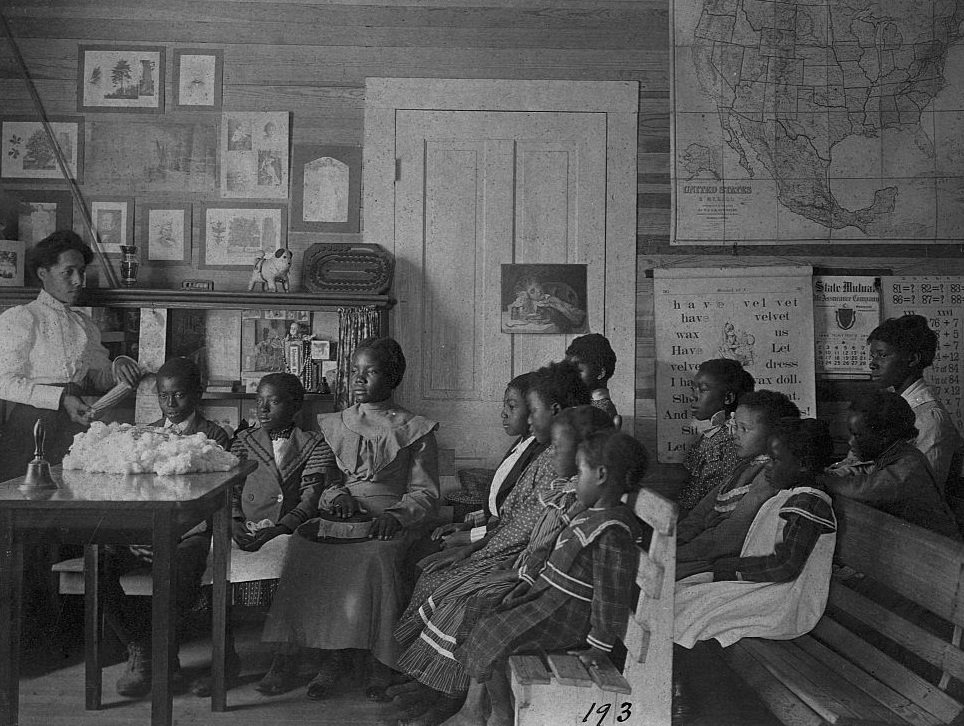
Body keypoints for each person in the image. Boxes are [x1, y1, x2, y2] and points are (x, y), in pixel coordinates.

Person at [389, 361, 591, 722]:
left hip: (520, 559)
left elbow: (527, 529)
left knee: (457, 595)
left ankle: (451, 698)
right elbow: (512, 512)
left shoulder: (558, 460)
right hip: (510, 549)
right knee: (439, 578)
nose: (528, 421)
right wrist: (472, 546)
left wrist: (474, 550)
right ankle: (432, 685)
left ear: (555, 412)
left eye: (534, 413)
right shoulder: (544, 452)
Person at [259, 338, 440, 702]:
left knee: (376, 557)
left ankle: (380, 660)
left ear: (392, 377)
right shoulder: (335, 423)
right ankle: (310, 656)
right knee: (303, 548)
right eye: (354, 371)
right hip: (342, 516)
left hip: (390, 521)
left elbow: (426, 493)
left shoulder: (415, 428)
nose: (359, 379)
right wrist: (337, 495)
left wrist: (397, 515)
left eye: (370, 372)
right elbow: (328, 481)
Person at [445, 430, 648, 726]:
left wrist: (599, 645)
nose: (574, 479)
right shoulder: (587, 512)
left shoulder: (612, 530)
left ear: (601, 474)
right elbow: (548, 552)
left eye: (580, 471)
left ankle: (500, 716)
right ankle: (486, 710)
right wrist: (526, 582)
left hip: (568, 617)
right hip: (547, 599)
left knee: (491, 633)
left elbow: (611, 594)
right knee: (481, 610)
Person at [105, 357, 231, 698]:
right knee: (97, 561)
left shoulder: (216, 436)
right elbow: (131, 493)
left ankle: (160, 656)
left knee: (180, 568)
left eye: (179, 395)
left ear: (198, 394)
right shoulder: (144, 434)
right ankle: (142, 647)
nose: (171, 404)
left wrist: (169, 535)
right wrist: (137, 535)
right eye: (163, 396)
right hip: (145, 535)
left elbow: (214, 501)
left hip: (190, 535)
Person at [674, 419, 838, 649]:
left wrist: (729, 567)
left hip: (783, 601)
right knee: (683, 595)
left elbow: (786, 566)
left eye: (774, 459)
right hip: (765, 587)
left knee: (693, 608)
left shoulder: (808, 503)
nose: (767, 466)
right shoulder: (790, 496)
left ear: (802, 465)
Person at [0, 230, 142, 480]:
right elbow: (4, 382)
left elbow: (99, 376)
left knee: (72, 496)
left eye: (81, 272)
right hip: (31, 427)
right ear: (43, 273)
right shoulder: (22, 318)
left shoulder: (84, 324)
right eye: (68, 272)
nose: (78, 280)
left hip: (74, 426)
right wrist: (61, 399)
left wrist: (118, 367)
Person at [675, 390, 800, 580]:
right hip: (705, 550)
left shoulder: (768, 477)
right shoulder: (745, 465)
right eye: (735, 426)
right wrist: (676, 539)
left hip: (727, 559)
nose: (734, 434)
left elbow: (730, 535)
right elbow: (700, 513)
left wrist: (677, 553)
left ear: (775, 435)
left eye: (744, 429)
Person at [821, 391, 959, 540]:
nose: (850, 442)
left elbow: (863, 489)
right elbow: (861, 471)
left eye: (857, 435)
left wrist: (819, 479)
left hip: (943, 554)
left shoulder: (909, 466)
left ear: (884, 436)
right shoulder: (892, 454)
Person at [432, 372, 546, 549]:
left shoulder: (538, 454)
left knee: (427, 562)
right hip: (490, 531)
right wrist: (468, 524)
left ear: (533, 410)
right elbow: (499, 507)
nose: (503, 414)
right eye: (504, 406)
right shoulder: (521, 444)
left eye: (512, 406)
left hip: (503, 541)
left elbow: (517, 520)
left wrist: (470, 536)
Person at [865, 315, 963, 498]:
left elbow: (922, 491)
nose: (872, 364)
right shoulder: (895, 405)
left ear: (912, 360)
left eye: (883, 355)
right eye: (873, 355)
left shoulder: (929, 418)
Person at [677, 359, 755, 515]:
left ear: (727, 398)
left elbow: (716, 497)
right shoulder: (713, 436)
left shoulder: (729, 441)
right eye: (694, 389)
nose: (693, 397)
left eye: (703, 390)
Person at [565, 333, 619, 422]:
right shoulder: (586, 403)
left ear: (600, 373)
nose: (572, 376)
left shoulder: (600, 410)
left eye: (578, 371)